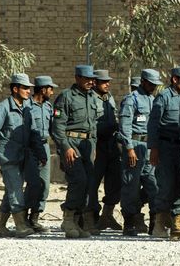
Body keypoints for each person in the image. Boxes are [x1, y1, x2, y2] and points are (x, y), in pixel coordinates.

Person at [0, 73, 47, 238]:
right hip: (8, 157)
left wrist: (40, 153)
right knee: (16, 188)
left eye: (29, 88)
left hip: (23, 156)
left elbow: (34, 133)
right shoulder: (2, 108)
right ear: (15, 89)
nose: (28, 91)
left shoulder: (26, 109)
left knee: (12, 190)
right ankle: (20, 225)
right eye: (25, 88)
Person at [51, 65, 101, 238]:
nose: (90, 82)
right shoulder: (66, 97)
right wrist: (66, 147)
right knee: (78, 180)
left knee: (88, 183)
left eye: (92, 79)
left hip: (87, 145)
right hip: (71, 144)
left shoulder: (93, 97)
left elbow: (93, 126)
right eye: (87, 79)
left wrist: (93, 148)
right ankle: (68, 219)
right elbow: (57, 127)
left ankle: (77, 221)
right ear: (77, 78)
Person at [148, 66, 180, 239]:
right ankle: (159, 223)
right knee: (165, 185)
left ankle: (177, 222)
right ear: (175, 80)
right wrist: (154, 149)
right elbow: (153, 125)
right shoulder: (164, 97)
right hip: (166, 147)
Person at [117, 68, 160, 236]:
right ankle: (129, 222)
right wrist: (129, 148)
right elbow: (125, 126)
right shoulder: (131, 100)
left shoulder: (154, 99)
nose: (153, 87)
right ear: (143, 82)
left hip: (149, 146)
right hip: (134, 146)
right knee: (131, 185)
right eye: (150, 84)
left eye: (155, 85)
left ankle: (155, 222)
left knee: (153, 184)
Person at [87, 69, 123, 232]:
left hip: (111, 145)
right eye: (103, 82)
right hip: (97, 146)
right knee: (92, 183)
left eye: (108, 81)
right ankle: (91, 217)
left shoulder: (109, 98)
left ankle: (107, 215)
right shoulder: (89, 99)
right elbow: (90, 124)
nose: (107, 84)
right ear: (94, 82)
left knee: (115, 182)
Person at [24, 75, 56, 233]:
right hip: (30, 148)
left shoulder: (48, 107)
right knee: (32, 184)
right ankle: (23, 217)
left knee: (45, 185)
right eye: (50, 88)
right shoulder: (27, 106)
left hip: (44, 147)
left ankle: (34, 218)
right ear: (43, 89)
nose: (52, 91)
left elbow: (52, 129)